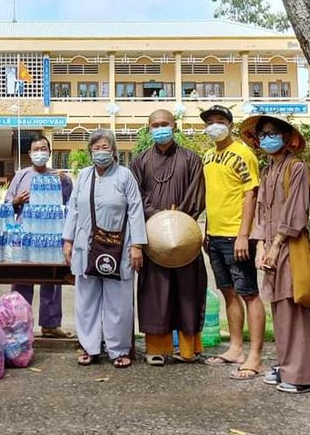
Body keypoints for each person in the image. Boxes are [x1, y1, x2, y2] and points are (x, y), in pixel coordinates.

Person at [240, 115, 310, 393]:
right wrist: (261, 244)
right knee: (279, 308)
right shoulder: (267, 171)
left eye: (272, 133)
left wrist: (275, 245)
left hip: (290, 246)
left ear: (286, 138)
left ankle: (301, 375)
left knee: (295, 307)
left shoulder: (296, 168)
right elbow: (262, 211)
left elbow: (297, 213)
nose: (266, 138)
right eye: (262, 134)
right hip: (271, 250)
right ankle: (286, 365)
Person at [62, 129, 146, 368]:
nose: (101, 152)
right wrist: (68, 240)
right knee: (86, 299)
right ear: (90, 152)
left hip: (118, 248)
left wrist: (137, 245)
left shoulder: (124, 175)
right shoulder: (85, 176)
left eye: (105, 147)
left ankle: (118, 349)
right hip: (85, 246)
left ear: (114, 151)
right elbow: (73, 210)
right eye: (96, 148)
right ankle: (90, 347)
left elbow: (136, 210)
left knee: (118, 301)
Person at [130, 109, 207, 365]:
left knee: (188, 292)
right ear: (148, 128)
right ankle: (157, 349)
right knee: (156, 293)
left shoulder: (192, 159)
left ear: (174, 126)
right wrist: (159, 217)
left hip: (184, 237)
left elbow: (196, 195)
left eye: (165, 124)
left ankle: (187, 349)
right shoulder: (139, 161)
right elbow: (135, 198)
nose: (160, 128)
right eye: (155, 124)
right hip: (153, 237)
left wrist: (177, 219)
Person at [199, 104, 265, 380]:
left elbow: (251, 194)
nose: (214, 125)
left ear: (229, 123)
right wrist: (206, 231)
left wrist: (243, 234)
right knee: (227, 291)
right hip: (214, 235)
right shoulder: (208, 156)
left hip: (236, 236)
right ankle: (236, 347)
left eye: (219, 120)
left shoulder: (243, 154)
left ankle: (255, 356)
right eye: (209, 122)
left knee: (249, 293)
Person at [4, 132, 74, 338]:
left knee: (51, 279)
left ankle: (50, 324)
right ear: (29, 153)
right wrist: (16, 201)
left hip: (51, 236)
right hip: (24, 237)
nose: (40, 153)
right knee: (22, 279)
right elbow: (6, 205)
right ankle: (19, 324)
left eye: (44, 149)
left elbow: (71, 207)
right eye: (36, 149)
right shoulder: (21, 176)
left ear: (50, 153)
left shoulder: (60, 178)